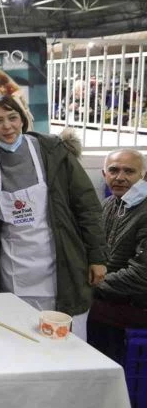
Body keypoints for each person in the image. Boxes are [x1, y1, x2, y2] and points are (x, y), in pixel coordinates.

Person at [0, 95, 106, 340]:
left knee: (65, 343)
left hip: (61, 264)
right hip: (14, 269)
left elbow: (87, 206)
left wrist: (97, 256)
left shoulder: (52, 151)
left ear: (23, 119)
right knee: (21, 340)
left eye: (13, 117)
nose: (7, 126)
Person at [88, 149, 147, 360]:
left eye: (129, 171)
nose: (120, 177)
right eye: (113, 170)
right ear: (104, 175)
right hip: (113, 296)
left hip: (137, 303)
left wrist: (93, 286)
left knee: (84, 310)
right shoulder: (107, 205)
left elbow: (141, 276)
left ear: (144, 176)